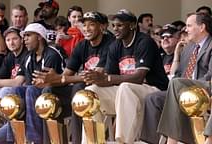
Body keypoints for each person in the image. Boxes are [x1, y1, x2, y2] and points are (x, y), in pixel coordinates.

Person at [0, 23, 66, 144]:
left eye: (28, 36)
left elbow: (31, 83)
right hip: (29, 96)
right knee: (1, 103)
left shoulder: (50, 54)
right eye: (8, 39)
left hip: (54, 96)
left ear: (39, 37)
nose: (25, 39)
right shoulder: (29, 57)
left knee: (13, 96)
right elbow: (24, 82)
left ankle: (32, 140)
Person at [79, 9, 168, 144]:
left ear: (132, 25)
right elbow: (109, 76)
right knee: (91, 92)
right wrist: (96, 79)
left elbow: (138, 77)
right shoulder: (115, 45)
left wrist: (107, 79)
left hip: (153, 89)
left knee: (125, 87)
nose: (115, 29)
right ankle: (92, 140)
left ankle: (123, 141)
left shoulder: (144, 42)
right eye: (113, 25)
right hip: (126, 94)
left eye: (120, 25)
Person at [28, 11, 115, 144]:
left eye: (91, 25)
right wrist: (50, 80)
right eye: (84, 25)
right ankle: (52, 141)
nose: (86, 29)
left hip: (103, 91)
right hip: (84, 93)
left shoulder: (110, 43)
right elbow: (66, 74)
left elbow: (94, 76)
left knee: (79, 89)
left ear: (102, 27)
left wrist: (60, 79)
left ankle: (77, 140)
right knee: (48, 93)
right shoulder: (82, 45)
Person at [140, 12, 212, 144]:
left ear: (202, 27)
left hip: (206, 88)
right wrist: (177, 55)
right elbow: (178, 75)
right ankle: (152, 141)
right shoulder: (189, 48)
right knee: (153, 98)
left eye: (189, 26)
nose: (185, 29)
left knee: (177, 84)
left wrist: (186, 86)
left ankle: (171, 140)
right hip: (185, 89)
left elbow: (210, 77)